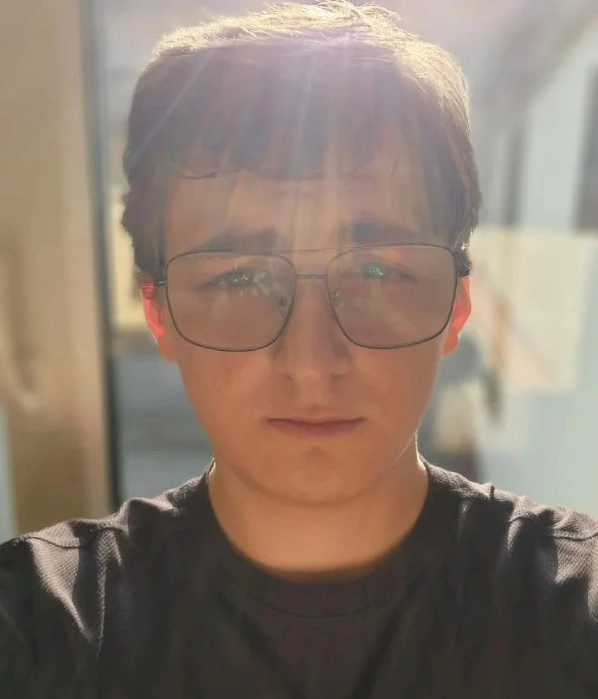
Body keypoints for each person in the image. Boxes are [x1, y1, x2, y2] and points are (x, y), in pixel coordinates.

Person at [1, 2, 597, 696]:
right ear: (158, 310)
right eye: (239, 278)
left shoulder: (576, 618)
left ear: (457, 304)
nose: (312, 363)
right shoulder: (39, 626)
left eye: (378, 271)